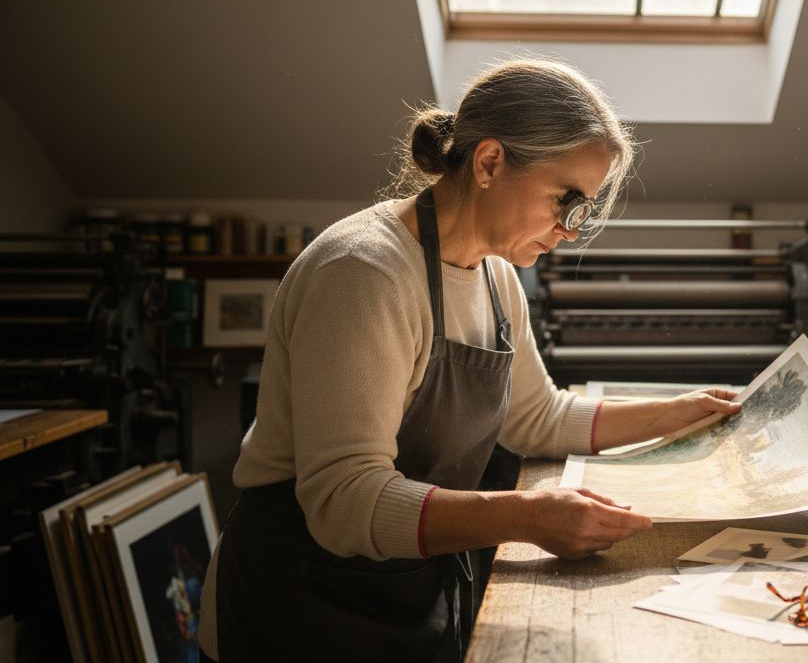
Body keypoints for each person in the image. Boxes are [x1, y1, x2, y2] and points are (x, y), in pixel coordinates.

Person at [197, 59, 741, 662]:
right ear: (488, 163)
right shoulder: (363, 274)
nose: (570, 229)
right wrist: (526, 517)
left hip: (401, 586)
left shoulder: (497, 277)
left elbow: (537, 417)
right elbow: (344, 502)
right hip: (300, 606)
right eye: (567, 201)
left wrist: (677, 414)